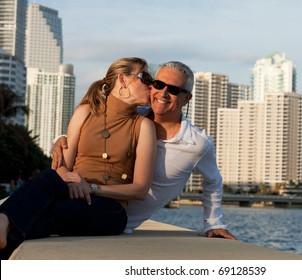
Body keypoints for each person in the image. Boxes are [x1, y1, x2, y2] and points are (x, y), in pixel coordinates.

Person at [52, 61, 236, 240]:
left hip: (116, 217)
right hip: (82, 199)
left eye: (173, 90)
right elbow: (94, 131)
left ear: (187, 98)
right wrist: (61, 139)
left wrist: (213, 223)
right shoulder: (134, 117)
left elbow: (213, 182)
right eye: (158, 84)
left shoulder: (196, 143)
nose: (163, 93)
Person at [0, 57, 157, 259]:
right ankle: (3, 223)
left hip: (109, 209)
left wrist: (90, 187)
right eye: (145, 77)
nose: (150, 85)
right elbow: (62, 166)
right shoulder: (85, 112)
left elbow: (141, 189)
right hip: (70, 190)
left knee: (52, 211)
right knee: (48, 177)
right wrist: (72, 178)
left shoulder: (143, 126)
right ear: (123, 79)